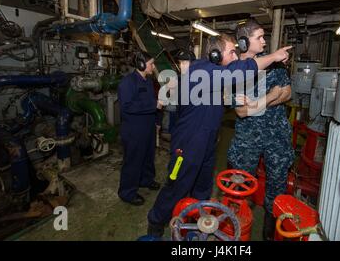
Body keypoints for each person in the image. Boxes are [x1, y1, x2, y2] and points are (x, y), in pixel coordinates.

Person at [147, 33, 292, 237]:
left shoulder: (214, 73)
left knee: (203, 186)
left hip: (208, 140)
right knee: (177, 184)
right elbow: (241, 71)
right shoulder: (204, 71)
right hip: (188, 142)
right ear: (215, 54)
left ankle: (196, 222)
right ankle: (155, 220)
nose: (235, 56)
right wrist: (273, 56)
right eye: (232, 52)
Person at [227, 19, 295, 240]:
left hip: (277, 135)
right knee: (240, 184)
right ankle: (237, 230)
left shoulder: (275, 65)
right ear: (244, 42)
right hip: (248, 138)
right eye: (260, 37)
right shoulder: (234, 72)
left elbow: (287, 93)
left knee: (277, 185)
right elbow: (241, 112)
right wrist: (271, 96)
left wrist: (257, 103)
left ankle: (270, 233)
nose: (265, 42)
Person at [117, 51, 162, 206]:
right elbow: (127, 107)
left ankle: (146, 180)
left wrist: (157, 121)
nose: (153, 66)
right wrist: (153, 105)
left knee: (148, 156)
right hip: (134, 130)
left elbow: (151, 102)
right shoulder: (127, 83)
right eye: (151, 63)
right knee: (133, 160)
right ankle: (127, 193)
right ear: (142, 65)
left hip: (148, 127)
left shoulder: (148, 81)